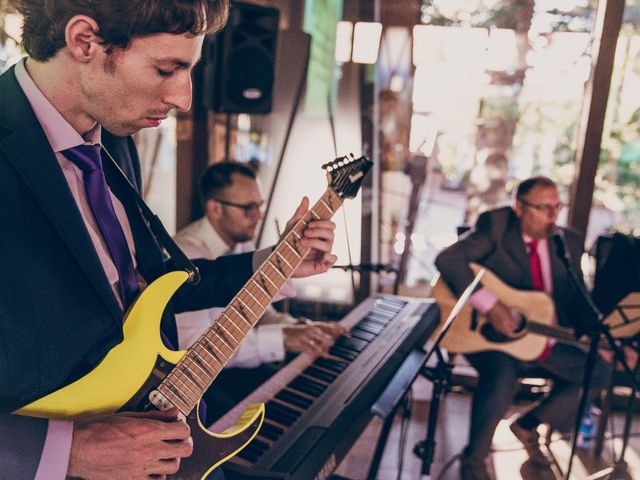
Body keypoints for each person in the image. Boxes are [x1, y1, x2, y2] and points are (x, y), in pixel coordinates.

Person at [0, 1, 338, 479]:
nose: (183, 96)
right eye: (167, 68)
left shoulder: (112, 136)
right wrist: (69, 451)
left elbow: (152, 293)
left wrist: (275, 260)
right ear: (84, 41)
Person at [435, 176, 613, 480]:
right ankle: (474, 462)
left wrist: (602, 340)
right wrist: (492, 307)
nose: (552, 216)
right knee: (502, 377)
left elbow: (576, 300)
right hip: (486, 336)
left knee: (599, 371)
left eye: (556, 207)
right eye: (543, 208)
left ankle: (528, 424)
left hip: (542, 339)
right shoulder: (497, 226)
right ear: (519, 207)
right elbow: (449, 259)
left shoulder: (567, 242)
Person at [174, 162, 345, 420]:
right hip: (197, 384)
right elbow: (193, 348)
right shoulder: (186, 255)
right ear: (215, 208)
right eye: (248, 208)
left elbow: (260, 310)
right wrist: (283, 337)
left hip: (236, 366)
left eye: (259, 205)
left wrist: (303, 327)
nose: (259, 215)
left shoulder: (241, 242)